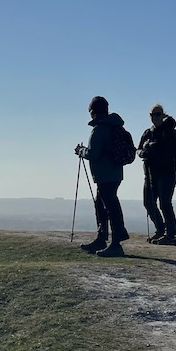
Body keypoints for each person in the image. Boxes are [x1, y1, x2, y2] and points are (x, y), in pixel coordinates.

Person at [74, 95, 130, 257]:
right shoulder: (113, 126)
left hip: (105, 174)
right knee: (104, 204)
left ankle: (115, 242)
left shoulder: (100, 129)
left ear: (93, 112)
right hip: (115, 173)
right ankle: (103, 238)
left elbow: (94, 153)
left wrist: (81, 151)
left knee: (108, 206)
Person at [137, 103, 176, 245]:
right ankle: (161, 230)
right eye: (152, 114)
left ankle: (170, 235)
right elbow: (138, 149)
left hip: (166, 173)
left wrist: (156, 150)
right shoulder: (147, 133)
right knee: (148, 203)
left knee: (165, 204)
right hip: (151, 174)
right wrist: (143, 152)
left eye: (157, 114)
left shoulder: (170, 131)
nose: (154, 117)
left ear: (163, 115)